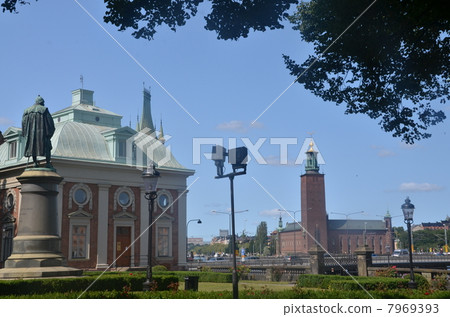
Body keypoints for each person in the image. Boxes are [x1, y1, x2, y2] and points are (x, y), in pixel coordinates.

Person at [22, 95, 55, 168]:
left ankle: (35, 162)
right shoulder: (44, 109)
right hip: (42, 134)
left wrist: (25, 133)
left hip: (30, 135)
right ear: (42, 102)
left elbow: (23, 123)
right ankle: (48, 163)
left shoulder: (27, 111)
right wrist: (49, 133)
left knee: (33, 146)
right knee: (47, 147)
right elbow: (50, 123)